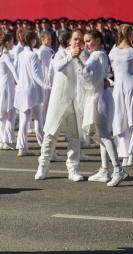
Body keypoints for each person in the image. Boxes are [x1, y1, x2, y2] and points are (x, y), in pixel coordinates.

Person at [77, 30, 128, 186]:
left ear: (98, 40)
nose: (86, 44)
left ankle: (117, 169)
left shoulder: (96, 55)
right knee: (102, 136)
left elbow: (89, 77)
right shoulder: (102, 54)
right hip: (102, 96)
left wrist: (77, 61)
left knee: (104, 135)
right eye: (85, 41)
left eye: (89, 41)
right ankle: (105, 169)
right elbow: (101, 77)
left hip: (98, 98)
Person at [35, 29, 85, 182]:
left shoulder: (85, 55)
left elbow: (89, 74)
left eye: (81, 40)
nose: (78, 42)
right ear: (69, 41)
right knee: (50, 135)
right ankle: (43, 166)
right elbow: (57, 67)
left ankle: (73, 169)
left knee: (74, 137)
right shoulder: (61, 53)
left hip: (75, 102)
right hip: (59, 101)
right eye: (75, 39)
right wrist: (72, 56)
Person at [14, 30, 50, 156]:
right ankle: (44, 147)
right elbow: (35, 75)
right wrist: (46, 86)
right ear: (31, 40)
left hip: (22, 90)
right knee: (39, 120)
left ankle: (22, 147)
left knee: (24, 120)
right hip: (32, 91)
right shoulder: (33, 55)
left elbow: (19, 72)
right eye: (35, 39)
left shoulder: (21, 54)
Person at [109, 24, 133, 167]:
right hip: (132, 86)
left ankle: (126, 154)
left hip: (118, 88)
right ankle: (130, 154)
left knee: (122, 121)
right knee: (132, 121)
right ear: (130, 34)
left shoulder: (113, 52)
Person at [0, 34, 19, 150]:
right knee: (10, 115)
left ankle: (2, 141)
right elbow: (12, 69)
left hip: (0, 87)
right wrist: (19, 81)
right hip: (7, 88)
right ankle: (7, 140)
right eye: (12, 41)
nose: (13, 43)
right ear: (7, 43)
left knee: (3, 116)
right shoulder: (6, 55)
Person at [37, 31, 55, 122]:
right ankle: (42, 125)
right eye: (48, 39)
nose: (50, 41)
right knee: (43, 105)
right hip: (43, 80)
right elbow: (38, 66)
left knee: (48, 105)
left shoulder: (51, 50)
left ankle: (46, 124)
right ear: (42, 40)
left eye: (51, 39)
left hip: (50, 80)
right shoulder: (41, 51)